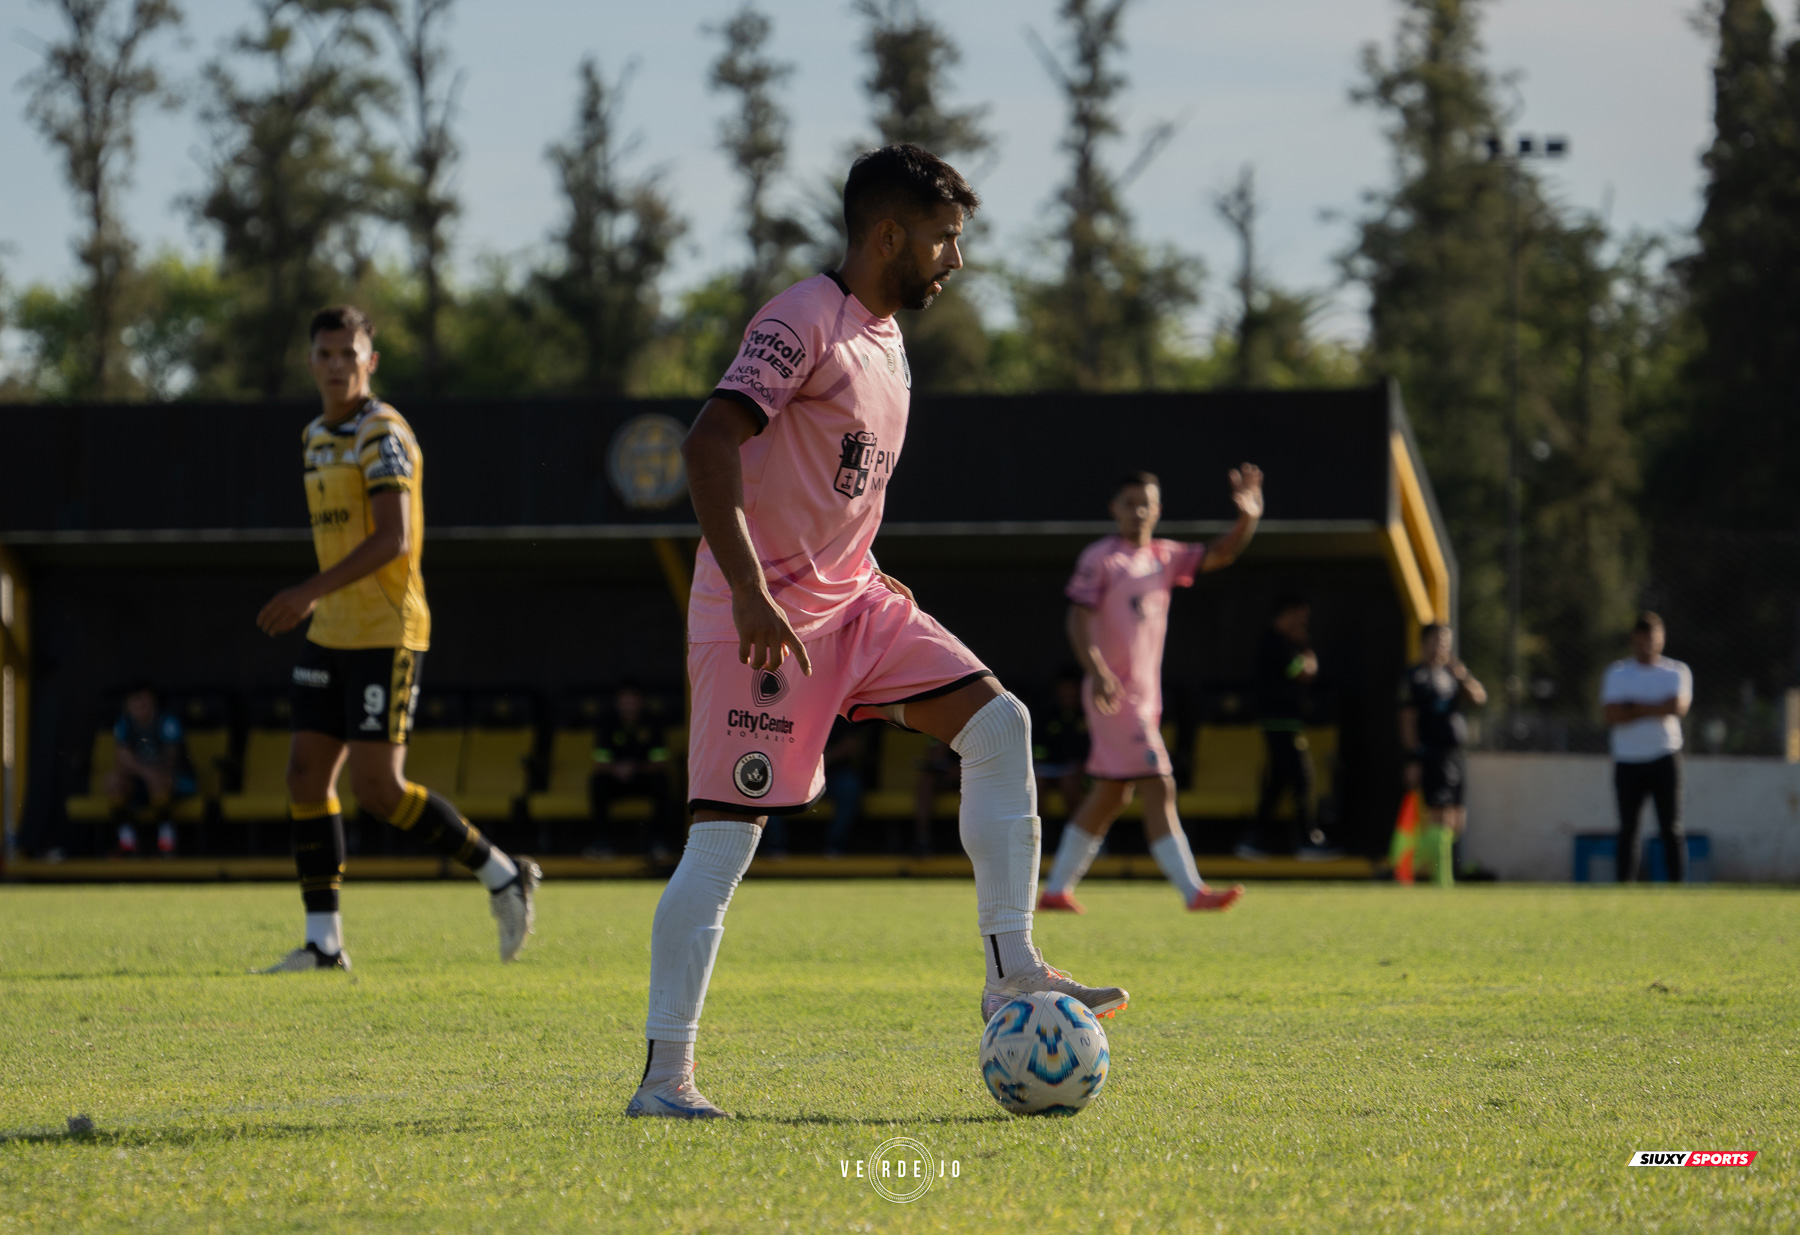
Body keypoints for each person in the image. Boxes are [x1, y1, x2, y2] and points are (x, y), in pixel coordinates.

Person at [627, 145, 1126, 1119]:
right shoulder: (801, 317)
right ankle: (664, 1080)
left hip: (857, 604)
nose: (957, 259)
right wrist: (747, 587)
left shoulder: (891, 339)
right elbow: (707, 443)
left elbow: (832, 480)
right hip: (764, 617)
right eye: (944, 239)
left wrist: (861, 564)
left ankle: (1011, 967)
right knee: (722, 846)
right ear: (889, 234)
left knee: (1000, 723)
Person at [254, 305, 539, 973]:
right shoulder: (314, 437)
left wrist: (307, 590)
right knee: (304, 773)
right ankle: (323, 943)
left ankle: (503, 874)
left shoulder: (382, 433)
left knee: (380, 790)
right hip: (331, 632)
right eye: (324, 353)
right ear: (310, 360)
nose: (335, 366)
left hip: (387, 631)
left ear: (369, 362)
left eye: (347, 355)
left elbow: (394, 538)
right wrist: (319, 601)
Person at [1038, 470, 1259, 914]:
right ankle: (1193, 891)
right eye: (1130, 502)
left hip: (1144, 699)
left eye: (1147, 503)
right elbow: (1077, 620)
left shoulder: (1165, 557)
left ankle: (1057, 890)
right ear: (1114, 509)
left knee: (1111, 795)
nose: (1138, 511)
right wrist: (1098, 671)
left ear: (1158, 510)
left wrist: (1247, 519)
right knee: (1159, 783)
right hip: (1113, 697)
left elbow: (1220, 554)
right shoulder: (1101, 558)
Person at [1601, 612, 1692, 883]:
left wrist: (1634, 706)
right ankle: (1624, 890)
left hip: (1665, 757)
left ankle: (1677, 888)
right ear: (1634, 640)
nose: (1648, 645)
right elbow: (1611, 714)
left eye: (1654, 639)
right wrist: (1656, 707)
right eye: (1643, 639)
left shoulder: (1677, 671)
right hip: (1628, 759)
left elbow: (1677, 707)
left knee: (1671, 828)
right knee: (1628, 830)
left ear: (1662, 639)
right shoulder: (1617, 672)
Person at [1236, 595, 1323, 859]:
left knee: (1279, 781)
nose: (1303, 625)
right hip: (1280, 722)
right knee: (1300, 778)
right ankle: (1306, 840)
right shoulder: (1276, 644)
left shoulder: (1284, 643)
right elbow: (1304, 672)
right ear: (1286, 614)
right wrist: (1309, 657)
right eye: (1300, 619)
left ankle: (1255, 840)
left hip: (1287, 721)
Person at [1398, 624, 1487, 881]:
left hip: (1454, 755)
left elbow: (1480, 698)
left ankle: (1421, 860)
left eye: (1446, 641)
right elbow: (1407, 720)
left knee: (1457, 822)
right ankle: (1438, 876)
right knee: (1440, 817)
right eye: (1437, 641)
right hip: (1431, 753)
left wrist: (1463, 675)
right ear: (1424, 643)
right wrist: (1414, 757)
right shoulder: (1415, 677)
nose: (1442, 647)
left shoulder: (1452, 673)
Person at [587, 682, 674, 861]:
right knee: (597, 782)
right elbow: (599, 761)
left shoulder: (652, 722)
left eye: (632, 702)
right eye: (625, 702)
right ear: (618, 703)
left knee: (662, 782)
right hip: (615, 779)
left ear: (640, 702)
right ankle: (601, 843)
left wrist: (636, 768)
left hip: (644, 778)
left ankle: (657, 842)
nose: (629, 706)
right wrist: (617, 768)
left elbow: (661, 760)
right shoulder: (608, 722)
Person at [106, 685, 191, 857]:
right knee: (114, 782)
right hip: (143, 780)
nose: (140, 706)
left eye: (145, 701)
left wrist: (146, 772)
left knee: (158, 780)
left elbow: (170, 763)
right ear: (128, 705)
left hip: (179, 782)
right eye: (135, 702)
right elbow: (121, 762)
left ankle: (167, 844)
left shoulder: (167, 721)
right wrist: (145, 772)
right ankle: (127, 843)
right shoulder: (124, 723)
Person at [1033, 665, 1090, 825]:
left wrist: (1082, 764)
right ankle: (1038, 839)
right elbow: (1038, 747)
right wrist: (1039, 761)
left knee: (1068, 783)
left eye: (1071, 688)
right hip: (1050, 769)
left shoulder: (1090, 713)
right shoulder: (1047, 713)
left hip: (1085, 773)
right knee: (1034, 784)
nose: (1067, 692)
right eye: (1063, 688)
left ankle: (1080, 837)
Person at [820, 718, 874, 857]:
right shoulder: (803, 711)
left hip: (835, 774)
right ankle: (774, 845)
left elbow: (851, 746)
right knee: (772, 788)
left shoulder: (842, 714)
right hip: (800, 775)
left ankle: (834, 846)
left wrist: (824, 758)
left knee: (850, 786)